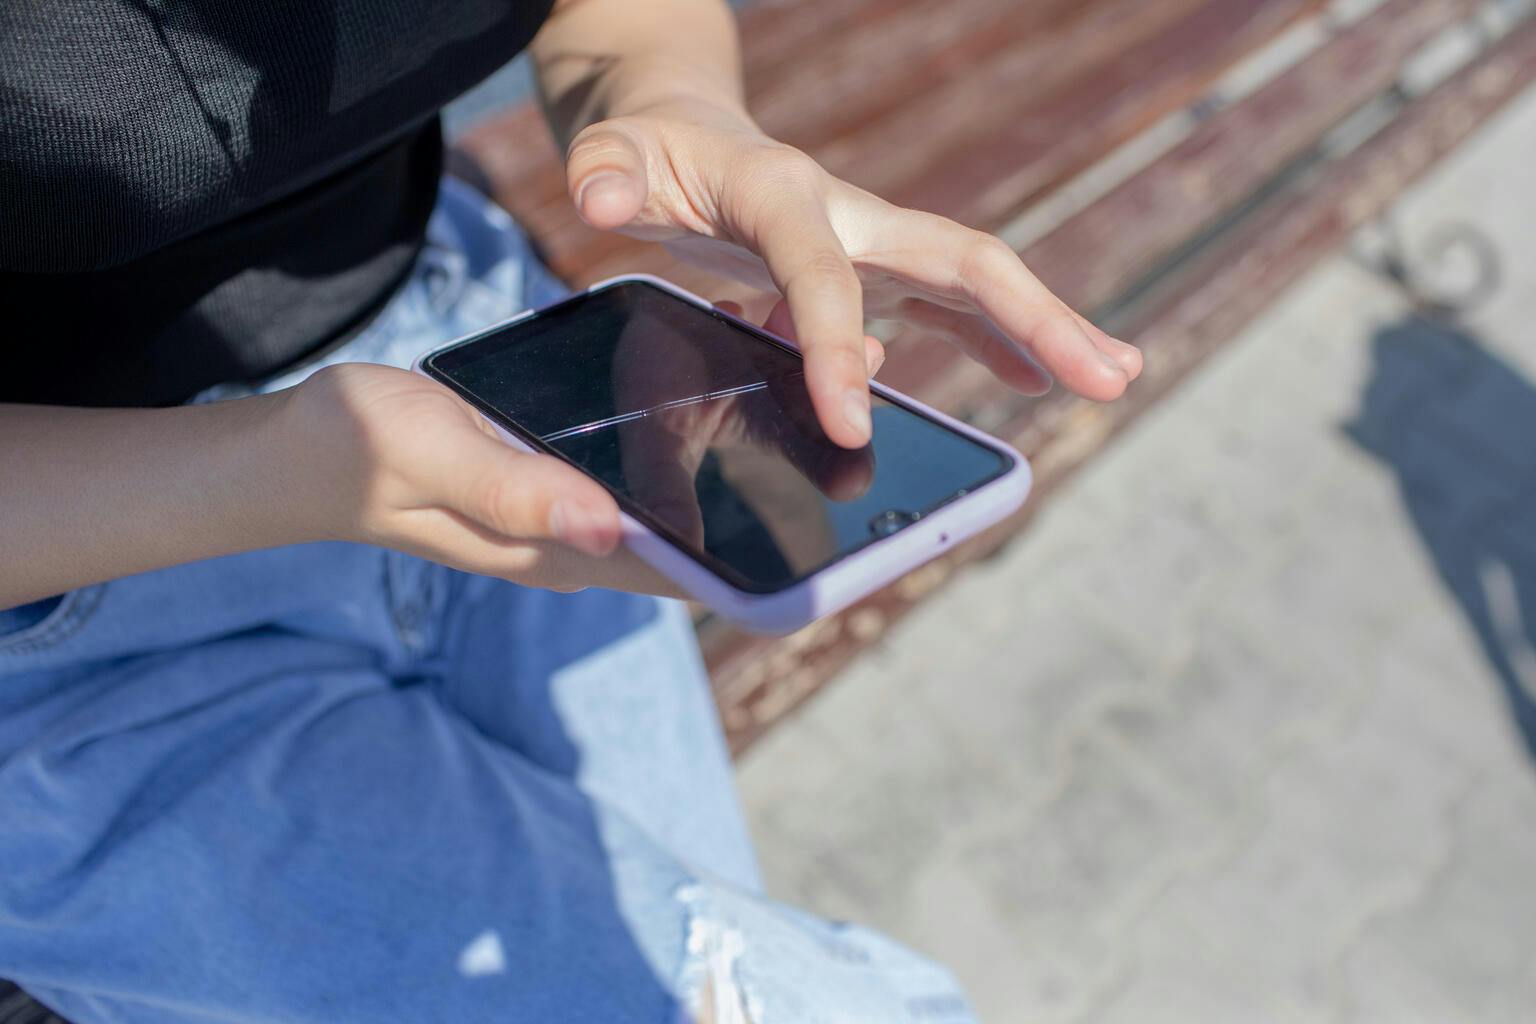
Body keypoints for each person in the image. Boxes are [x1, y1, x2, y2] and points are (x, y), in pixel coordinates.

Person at [0, 0, 1142, 1020]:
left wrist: (673, 108)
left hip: (501, 364)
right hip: (75, 583)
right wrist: (291, 467)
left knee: (710, 948)